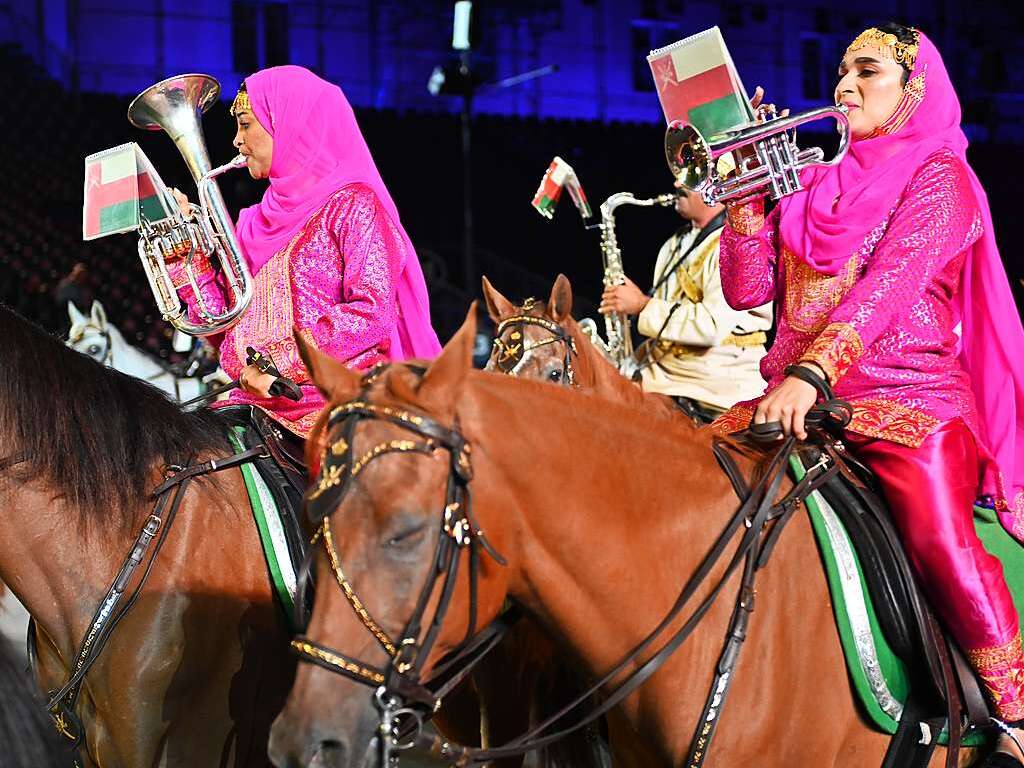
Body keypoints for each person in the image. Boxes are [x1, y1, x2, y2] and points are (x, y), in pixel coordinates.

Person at [712, 24, 1024, 762]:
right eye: (840, 73)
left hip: (909, 402)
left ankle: (1015, 716)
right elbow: (746, 289)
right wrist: (744, 196)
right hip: (795, 400)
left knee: (939, 541)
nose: (843, 88)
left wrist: (812, 374)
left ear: (913, 91)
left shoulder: (943, 177)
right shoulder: (814, 182)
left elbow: (885, 292)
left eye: (867, 72)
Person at [168, 65, 441, 437]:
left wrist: (276, 362)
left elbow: (372, 312)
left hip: (335, 407)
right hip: (250, 407)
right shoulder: (250, 223)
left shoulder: (354, 206)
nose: (235, 140)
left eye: (245, 124)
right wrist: (184, 255)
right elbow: (222, 325)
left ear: (289, 124)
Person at [598, 188, 771, 423]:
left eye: (691, 176)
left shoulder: (739, 246)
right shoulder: (674, 244)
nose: (677, 182)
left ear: (717, 187)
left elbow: (710, 326)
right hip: (666, 369)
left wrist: (641, 306)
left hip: (716, 377)